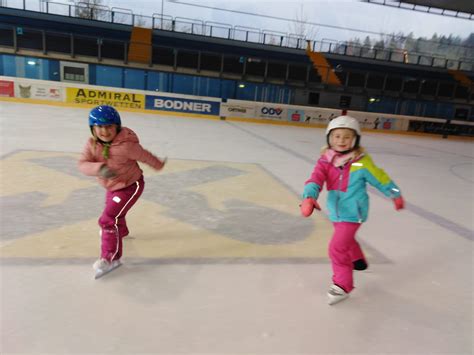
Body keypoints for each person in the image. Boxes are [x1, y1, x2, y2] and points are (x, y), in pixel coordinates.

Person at [301, 115, 404, 305]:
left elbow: (381, 178)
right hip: (336, 210)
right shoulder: (326, 161)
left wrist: (395, 194)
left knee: (337, 247)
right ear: (329, 138)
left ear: (355, 139)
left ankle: (342, 286)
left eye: (347, 137)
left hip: (354, 212)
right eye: (337, 136)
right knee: (346, 238)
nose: (341, 140)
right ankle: (358, 261)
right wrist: (309, 196)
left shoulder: (361, 162)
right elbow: (315, 179)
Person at [78, 105, 166, 278]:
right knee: (116, 213)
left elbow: (145, 156)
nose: (104, 131)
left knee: (108, 219)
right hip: (112, 186)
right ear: (92, 128)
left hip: (130, 186)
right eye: (99, 127)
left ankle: (111, 258)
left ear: (116, 127)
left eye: (109, 126)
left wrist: (158, 164)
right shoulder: (91, 145)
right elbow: (82, 164)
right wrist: (99, 169)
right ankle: (121, 232)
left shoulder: (127, 146)